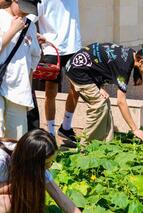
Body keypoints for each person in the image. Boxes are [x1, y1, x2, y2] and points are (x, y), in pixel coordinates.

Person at [65, 43, 143, 145]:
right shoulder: (124, 67)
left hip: (78, 66)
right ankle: (85, 147)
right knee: (99, 105)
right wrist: (135, 129)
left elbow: (102, 62)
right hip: (78, 71)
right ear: (141, 61)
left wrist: (98, 86)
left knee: (105, 102)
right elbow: (121, 102)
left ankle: (105, 143)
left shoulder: (129, 54)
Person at [0, 129, 81, 213]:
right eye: (47, 163)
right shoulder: (2, 160)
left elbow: (59, 196)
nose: (49, 166)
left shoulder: (31, 161)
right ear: (32, 161)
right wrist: (13, 186)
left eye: (51, 161)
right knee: (10, 202)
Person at [36, 0, 82, 141]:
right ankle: (50, 132)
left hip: (74, 46)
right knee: (51, 93)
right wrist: (35, 34)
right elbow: (29, 16)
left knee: (77, 89)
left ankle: (66, 127)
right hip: (51, 48)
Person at [0, 0, 41, 139]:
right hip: (1, 84)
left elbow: (35, 55)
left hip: (18, 90)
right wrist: (12, 30)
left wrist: (28, 83)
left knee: (16, 140)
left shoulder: (30, 25)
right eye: (23, 8)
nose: (25, 12)